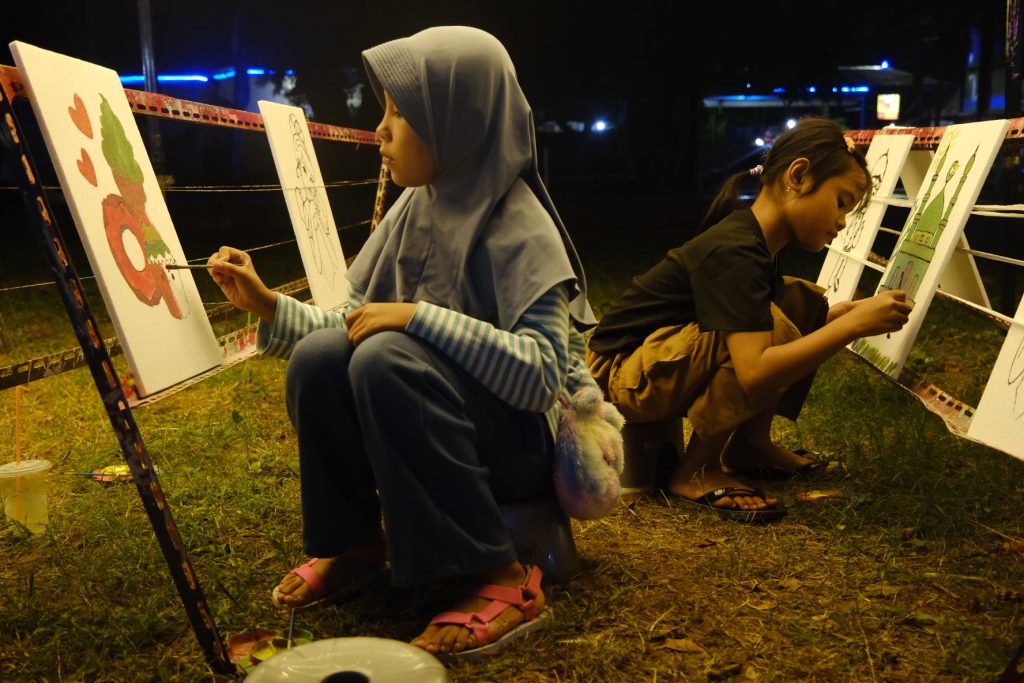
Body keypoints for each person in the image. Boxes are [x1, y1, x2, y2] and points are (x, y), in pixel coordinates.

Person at [207, 26, 601, 658]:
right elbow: (357, 322)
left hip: (517, 443)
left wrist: (419, 318)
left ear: (460, 119)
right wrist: (267, 305)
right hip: (435, 413)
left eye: (401, 112)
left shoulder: (520, 225)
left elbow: (539, 378)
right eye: (384, 110)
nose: (381, 130)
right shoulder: (414, 207)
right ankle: (354, 543)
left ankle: (502, 578)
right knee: (321, 358)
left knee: (388, 358)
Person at [586, 117, 913, 523]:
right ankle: (696, 471)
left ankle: (750, 445)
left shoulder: (757, 244)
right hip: (611, 379)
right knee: (766, 328)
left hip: (645, 363)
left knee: (801, 305)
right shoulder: (736, 250)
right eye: (841, 202)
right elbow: (755, 371)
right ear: (799, 176)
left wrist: (832, 318)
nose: (843, 222)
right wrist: (848, 327)